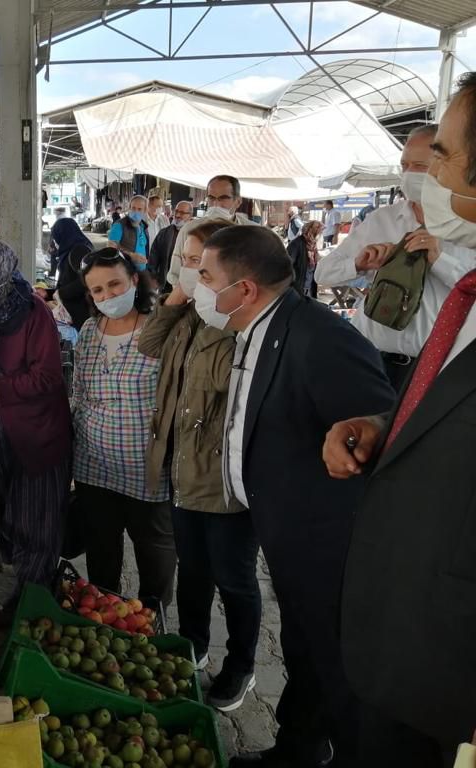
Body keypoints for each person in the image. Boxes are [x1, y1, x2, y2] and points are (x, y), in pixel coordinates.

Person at [198, 226, 395, 766]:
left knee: (334, 663)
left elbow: (381, 420)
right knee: (303, 649)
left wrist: (357, 438)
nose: (198, 287)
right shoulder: (258, 326)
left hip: (325, 543)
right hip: (283, 528)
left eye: (206, 276)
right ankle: (298, 750)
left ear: (244, 288)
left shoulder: (318, 336)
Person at [328, 71, 476, 768]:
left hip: (450, 672)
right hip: (402, 638)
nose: (423, 177)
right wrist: (391, 428)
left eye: (439, 156)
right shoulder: (466, 294)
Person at [139, 218, 262, 713]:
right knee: (193, 569)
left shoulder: (243, 328)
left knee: (234, 578)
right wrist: (175, 296)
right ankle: (194, 644)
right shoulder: (191, 314)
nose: (190, 271)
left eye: (199, 264)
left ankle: (242, 665)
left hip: (225, 479)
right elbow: (148, 345)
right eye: (186, 261)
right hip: (182, 469)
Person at [0, 240, 71, 624]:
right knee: (3, 509)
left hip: (35, 432)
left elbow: (48, 377)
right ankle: (15, 589)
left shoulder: (33, 313)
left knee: (36, 519)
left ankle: (32, 605)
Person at [313, 125, 476, 389]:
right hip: (369, 358)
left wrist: (441, 261)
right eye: (404, 165)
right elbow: (323, 273)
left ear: (446, 167)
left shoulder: (467, 226)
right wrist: (359, 264)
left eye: (420, 166)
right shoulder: (382, 219)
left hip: (434, 369)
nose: (409, 174)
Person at [71, 247, 176, 604]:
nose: (108, 296)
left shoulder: (159, 330)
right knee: (101, 555)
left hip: (146, 469)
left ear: (133, 280)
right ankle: (107, 614)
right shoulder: (89, 330)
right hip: (93, 467)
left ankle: (153, 620)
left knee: (155, 557)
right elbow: (78, 392)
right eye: (98, 290)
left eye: (114, 284)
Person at [166, 174, 259, 288]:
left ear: (238, 201)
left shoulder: (253, 233)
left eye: (223, 198)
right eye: (211, 198)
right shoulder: (189, 230)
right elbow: (175, 275)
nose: (216, 204)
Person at [52, 217, 96, 330]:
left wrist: (61, 293)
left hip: (81, 314)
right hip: (73, 313)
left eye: (55, 237)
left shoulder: (79, 251)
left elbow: (87, 280)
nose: (55, 242)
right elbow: (67, 281)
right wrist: (48, 293)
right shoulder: (69, 250)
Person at [148, 200, 193, 288]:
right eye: (176, 211)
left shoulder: (194, 234)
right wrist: (152, 277)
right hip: (165, 280)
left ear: (190, 215)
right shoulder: (164, 233)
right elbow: (153, 257)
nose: (178, 215)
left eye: (182, 213)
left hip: (186, 283)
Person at [108, 195, 151, 272]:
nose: (135, 212)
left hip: (142, 271)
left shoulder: (143, 226)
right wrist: (131, 255)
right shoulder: (119, 225)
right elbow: (111, 249)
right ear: (129, 208)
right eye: (133, 208)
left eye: (139, 209)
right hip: (126, 271)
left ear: (145, 211)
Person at [288, 219, 322, 298]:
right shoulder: (296, 244)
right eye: (317, 231)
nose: (319, 235)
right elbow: (288, 264)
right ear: (310, 231)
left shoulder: (312, 245)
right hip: (298, 288)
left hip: (309, 287)